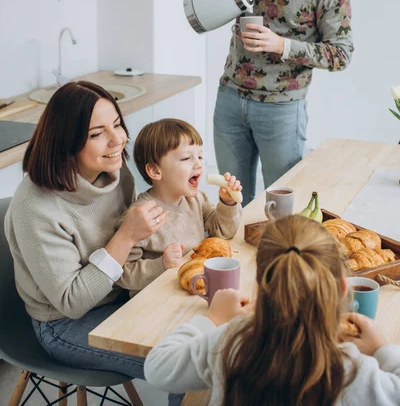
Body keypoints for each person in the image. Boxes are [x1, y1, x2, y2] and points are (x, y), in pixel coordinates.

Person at [4, 81, 183, 406]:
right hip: (62, 324)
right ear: (66, 141)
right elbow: (71, 303)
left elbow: (132, 255)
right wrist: (126, 234)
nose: (118, 139)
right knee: (187, 363)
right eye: (97, 133)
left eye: (117, 124)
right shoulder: (37, 208)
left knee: (208, 333)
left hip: (119, 294)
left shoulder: (115, 171)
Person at [184, 0, 354, 206]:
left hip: (283, 109)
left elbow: (341, 54)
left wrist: (282, 46)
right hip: (230, 99)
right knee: (232, 201)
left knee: (280, 208)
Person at [144, 215, 400, 405]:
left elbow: (158, 369)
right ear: (343, 288)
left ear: (261, 284)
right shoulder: (353, 371)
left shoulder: (231, 341)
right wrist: (382, 350)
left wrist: (212, 318)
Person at [116, 118, 242, 293]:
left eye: (200, 156)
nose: (198, 163)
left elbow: (223, 232)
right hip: (158, 298)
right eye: (186, 158)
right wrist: (161, 264)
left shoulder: (196, 199)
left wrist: (228, 202)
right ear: (155, 171)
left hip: (194, 287)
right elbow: (122, 274)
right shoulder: (141, 216)